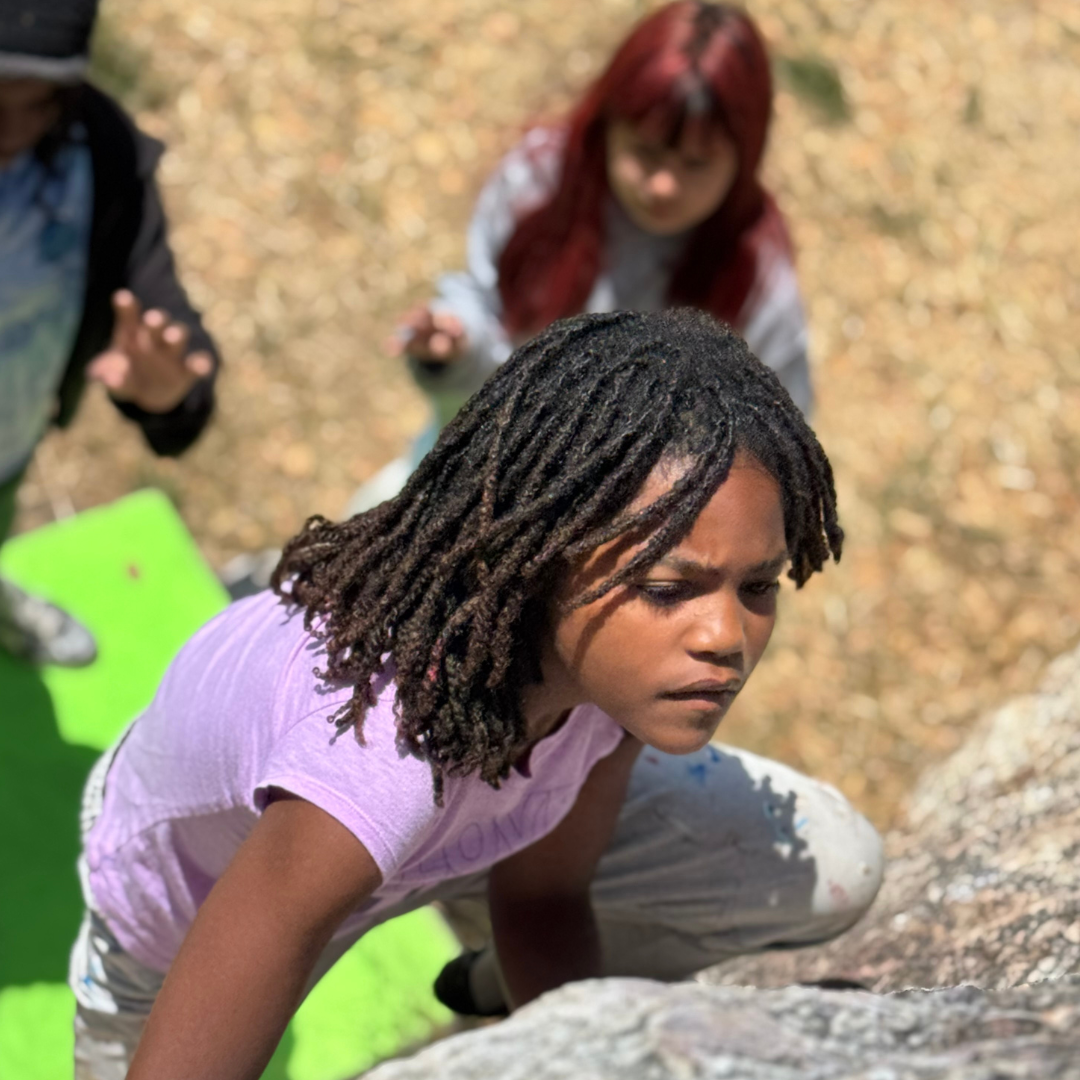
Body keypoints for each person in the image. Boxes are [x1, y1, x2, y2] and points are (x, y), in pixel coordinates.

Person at [70, 310, 882, 1078]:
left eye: (759, 586)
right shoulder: (372, 769)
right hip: (198, 902)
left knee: (839, 865)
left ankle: (474, 965)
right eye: (671, 588)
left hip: (438, 838)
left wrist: (584, 1052)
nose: (725, 637)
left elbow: (543, 895)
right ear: (541, 558)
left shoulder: (619, 679)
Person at [350, 1, 812, 513]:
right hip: (488, 473)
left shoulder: (756, 276)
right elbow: (489, 318)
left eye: (696, 163)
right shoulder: (539, 183)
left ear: (744, 157)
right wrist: (458, 348)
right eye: (646, 151)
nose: (663, 185)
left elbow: (772, 441)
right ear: (608, 123)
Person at [0, 0, 220, 665]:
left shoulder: (97, 153)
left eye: (37, 106)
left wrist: (171, 391)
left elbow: (163, 312)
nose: (10, 135)